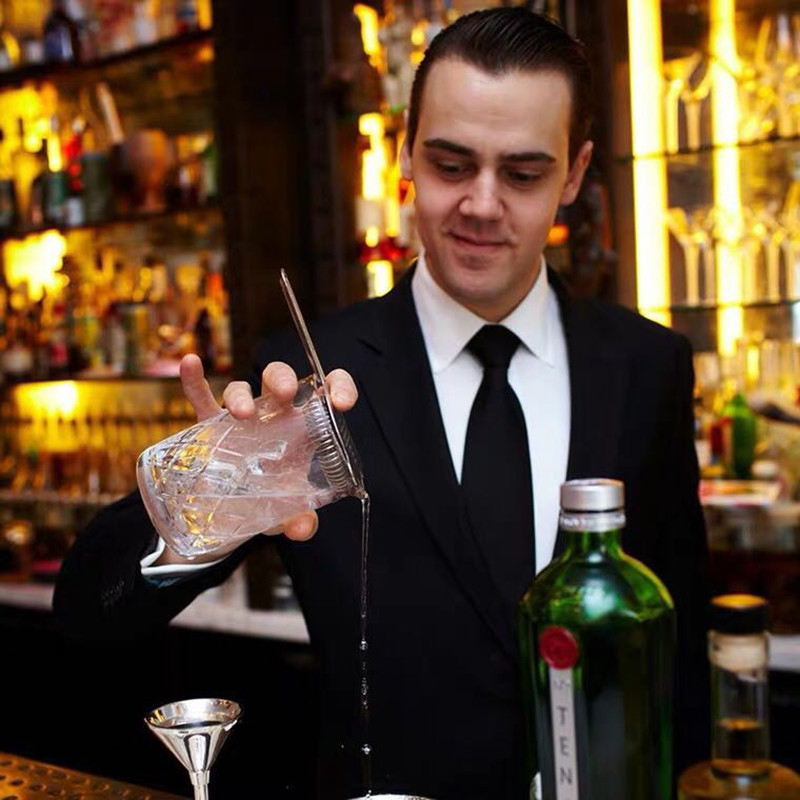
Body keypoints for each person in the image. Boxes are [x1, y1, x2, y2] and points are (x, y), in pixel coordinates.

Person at [54, 8, 709, 799]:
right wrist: (202, 501)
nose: (482, 204)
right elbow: (89, 614)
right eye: (451, 164)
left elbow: (681, 644)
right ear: (404, 151)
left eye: (523, 174)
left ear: (574, 174)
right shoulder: (308, 378)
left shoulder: (646, 367)